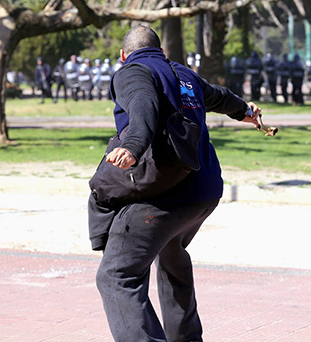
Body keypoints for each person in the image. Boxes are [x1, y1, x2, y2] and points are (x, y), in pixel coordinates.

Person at [90, 25, 260, 342]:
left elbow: (142, 106)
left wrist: (133, 146)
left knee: (116, 274)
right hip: (203, 192)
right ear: (162, 52)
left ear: (123, 55)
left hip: (164, 195)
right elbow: (219, 96)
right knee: (172, 256)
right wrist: (245, 111)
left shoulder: (131, 72)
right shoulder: (183, 75)